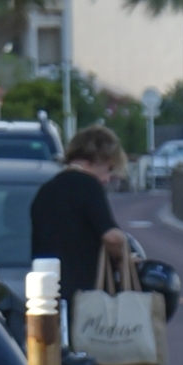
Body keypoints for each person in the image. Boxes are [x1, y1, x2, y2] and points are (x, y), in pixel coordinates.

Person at [29, 124, 131, 305]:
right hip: (85, 296)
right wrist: (125, 257)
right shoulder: (88, 186)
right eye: (108, 168)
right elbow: (111, 237)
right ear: (96, 158)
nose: (107, 179)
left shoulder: (45, 191)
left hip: (47, 293)